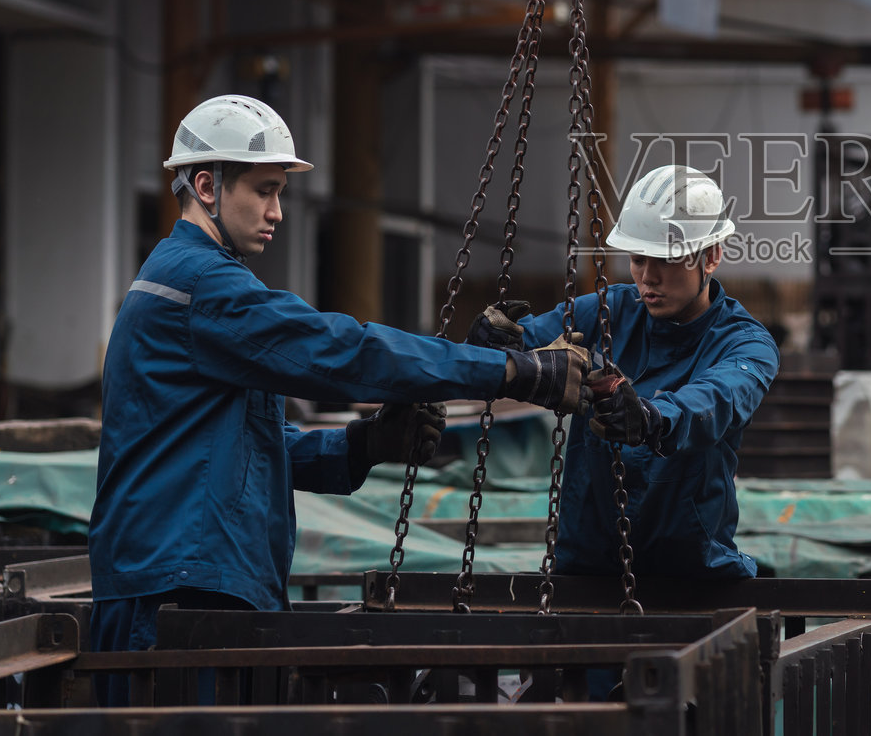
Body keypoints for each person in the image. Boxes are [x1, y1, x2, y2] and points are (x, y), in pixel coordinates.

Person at [89, 95, 589, 699]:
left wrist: (362, 445)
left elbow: (244, 449)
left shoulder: (187, 282)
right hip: (176, 594)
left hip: (193, 582)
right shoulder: (203, 287)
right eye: (264, 190)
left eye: (281, 193)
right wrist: (511, 372)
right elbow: (342, 351)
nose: (277, 211)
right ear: (206, 185)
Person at [471, 164, 780, 580]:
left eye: (665, 261)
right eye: (637, 259)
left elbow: (717, 397)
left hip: (692, 577)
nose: (647, 277)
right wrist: (494, 342)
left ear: (712, 256)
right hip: (583, 571)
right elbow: (526, 341)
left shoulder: (745, 346)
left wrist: (652, 418)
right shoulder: (606, 313)